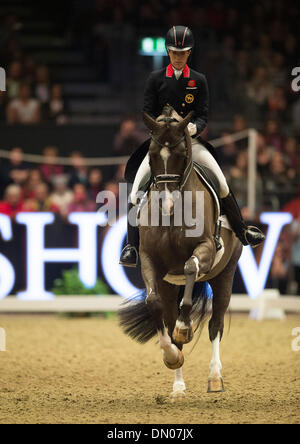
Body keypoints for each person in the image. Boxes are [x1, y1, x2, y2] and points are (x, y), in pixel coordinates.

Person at [120, 25, 265, 267]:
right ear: (168, 52)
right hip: (163, 143)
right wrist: (163, 128)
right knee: (135, 191)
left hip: (191, 142)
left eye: (183, 52)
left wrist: (192, 129)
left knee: (220, 181)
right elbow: (147, 111)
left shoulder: (198, 80)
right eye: (174, 53)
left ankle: (242, 231)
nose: (178, 57)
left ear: (189, 53)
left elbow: (203, 115)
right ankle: (132, 247)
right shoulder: (155, 79)